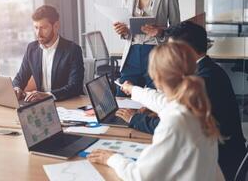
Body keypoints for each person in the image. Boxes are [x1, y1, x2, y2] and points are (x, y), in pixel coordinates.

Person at [116, 21, 247, 180]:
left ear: (186, 51)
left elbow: (141, 175)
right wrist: (137, 93)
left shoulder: (205, 80)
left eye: (172, 50)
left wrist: (135, 119)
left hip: (223, 164)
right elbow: (170, 105)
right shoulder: (205, 72)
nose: (168, 55)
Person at [88, 42, 224, 181]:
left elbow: (140, 176)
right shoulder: (195, 105)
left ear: (156, 77)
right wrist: (133, 89)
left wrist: (111, 158)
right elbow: (162, 102)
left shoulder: (175, 121)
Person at [115, 0, 180, 96]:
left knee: (156, 99)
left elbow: (177, 29)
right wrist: (123, 31)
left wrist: (160, 32)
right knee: (123, 97)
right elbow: (126, 25)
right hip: (132, 54)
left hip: (156, 54)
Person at [12, 5, 84, 101]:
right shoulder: (31, 49)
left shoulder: (72, 50)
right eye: (36, 28)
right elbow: (20, 78)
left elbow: (75, 87)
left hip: (66, 104)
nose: (38, 33)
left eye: (43, 28)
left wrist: (48, 95)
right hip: (41, 107)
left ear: (56, 26)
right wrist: (16, 88)